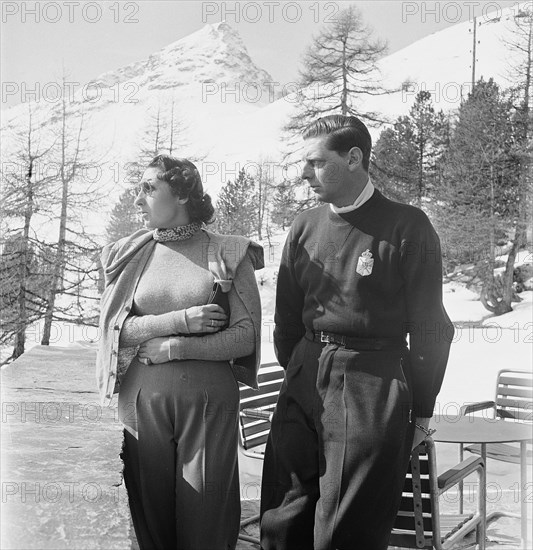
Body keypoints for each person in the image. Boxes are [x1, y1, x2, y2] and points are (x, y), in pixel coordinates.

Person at [260, 115, 454, 550]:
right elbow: (286, 319)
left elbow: (431, 328)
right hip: (305, 375)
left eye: (316, 162)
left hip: (372, 380)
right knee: (282, 515)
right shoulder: (304, 226)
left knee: (347, 528)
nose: (304, 174)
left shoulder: (408, 226)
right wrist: (300, 371)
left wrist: (421, 408)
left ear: (353, 158)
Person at [95, 155, 263, 550]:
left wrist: (174, 348)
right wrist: (181, 320)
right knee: (149, 517)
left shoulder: (228, 251)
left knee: (206, 515)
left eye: (150, 188)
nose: (139, 200)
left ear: (184, 192)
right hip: (141, 401)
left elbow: (244, 338)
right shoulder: (129, 254)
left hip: (208, 403)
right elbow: (116, 331)